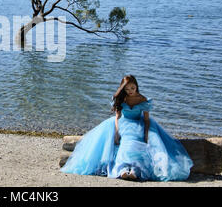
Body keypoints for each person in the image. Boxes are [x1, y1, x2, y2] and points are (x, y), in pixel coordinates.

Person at [60, 75, 193, 181]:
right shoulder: (121, 99)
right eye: (127, 89)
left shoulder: (143, 100)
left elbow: (146, 120)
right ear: (123, 89)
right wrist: (116, 133)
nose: (130, 91)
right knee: (125, 141)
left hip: (139, 124)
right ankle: (122, 169)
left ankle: (134, 169)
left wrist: (147, 134)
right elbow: (117, 117)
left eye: (132, 88)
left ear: (136, 86)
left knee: (136, 141)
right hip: (122, 124)